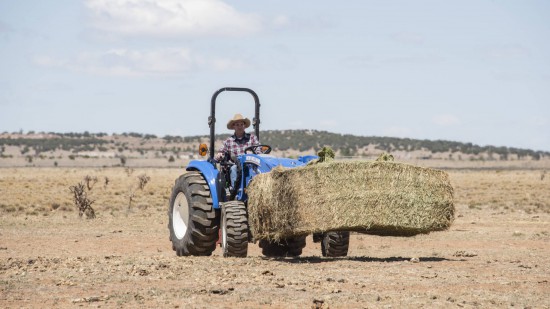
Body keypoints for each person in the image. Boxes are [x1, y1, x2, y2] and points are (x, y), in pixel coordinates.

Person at [214, 113, 260, 189]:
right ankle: (237, 192)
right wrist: (220, 155)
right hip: (236, 165)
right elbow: (221, 152)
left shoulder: (252, 138)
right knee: (234, 168)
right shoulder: (229, 141)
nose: (240, 127)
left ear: (244, 126)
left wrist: (253, 153)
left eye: (241, 124)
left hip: (251, 165)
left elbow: (259, 150)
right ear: (233, 126)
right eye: (237, 124)